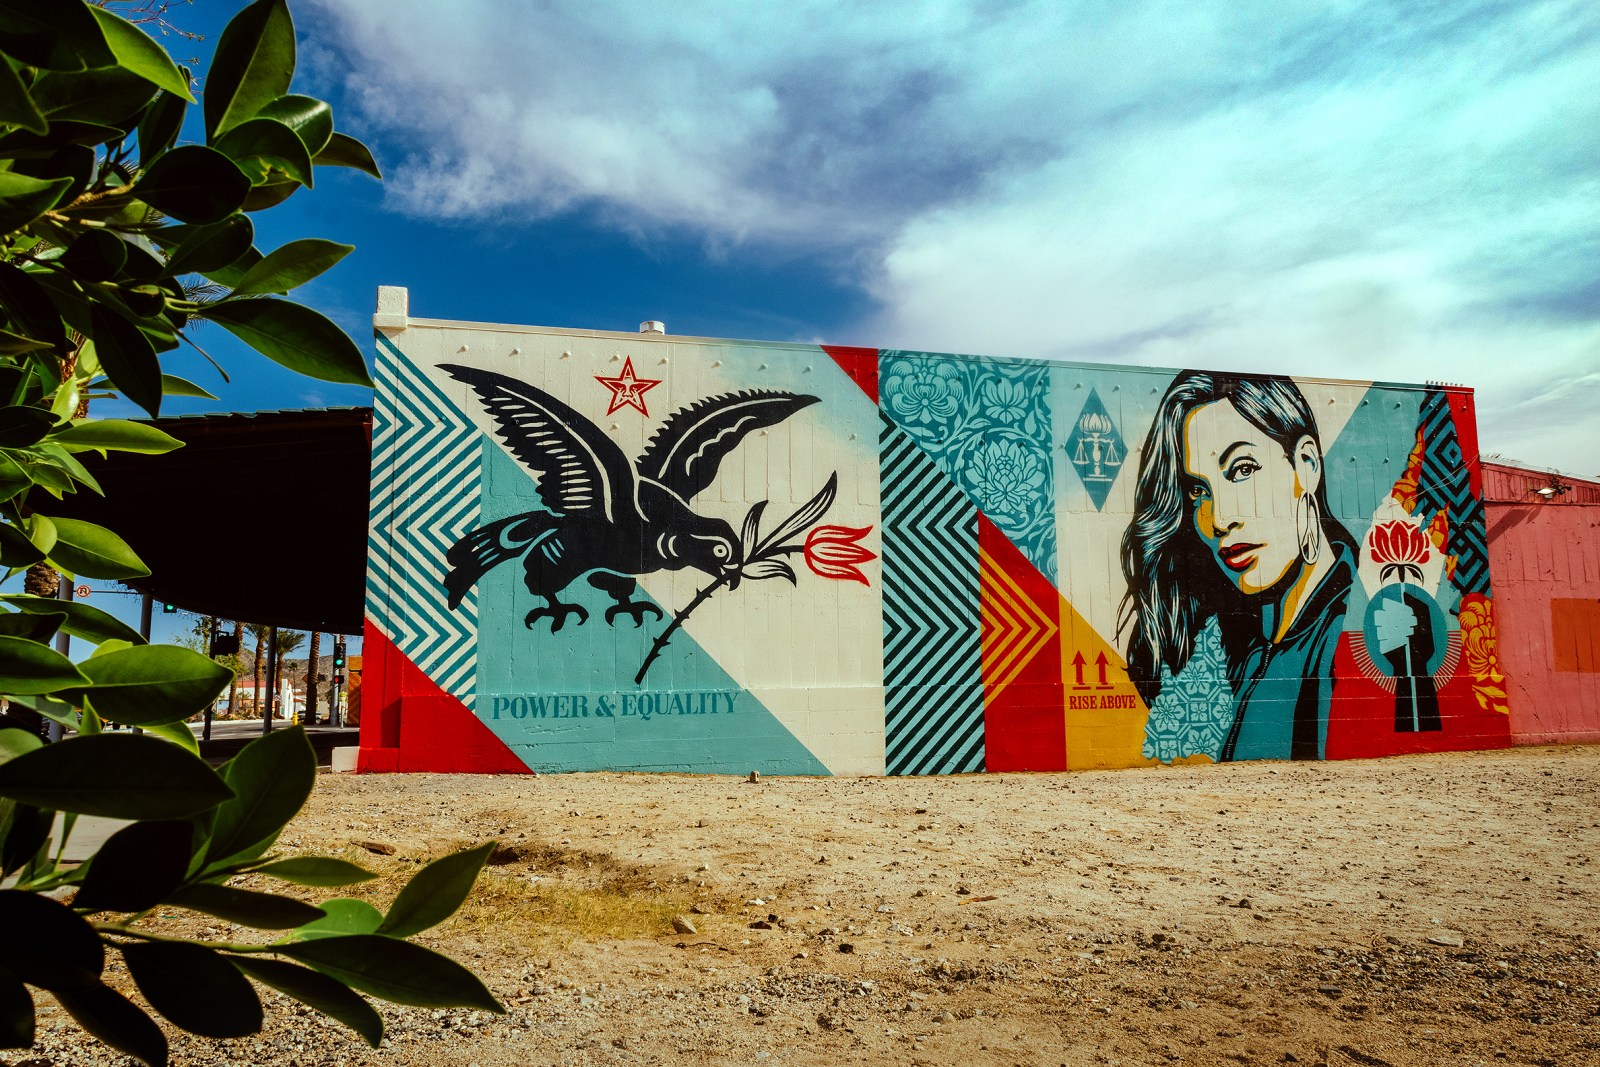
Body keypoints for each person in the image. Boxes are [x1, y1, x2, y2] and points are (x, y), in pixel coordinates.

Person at [1120, 372, 1359, 761]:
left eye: (1243, 469)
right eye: (1198, 491)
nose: (1219, 518)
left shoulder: (1346, 631)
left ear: (1306, 465)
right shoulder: (1244, 647)